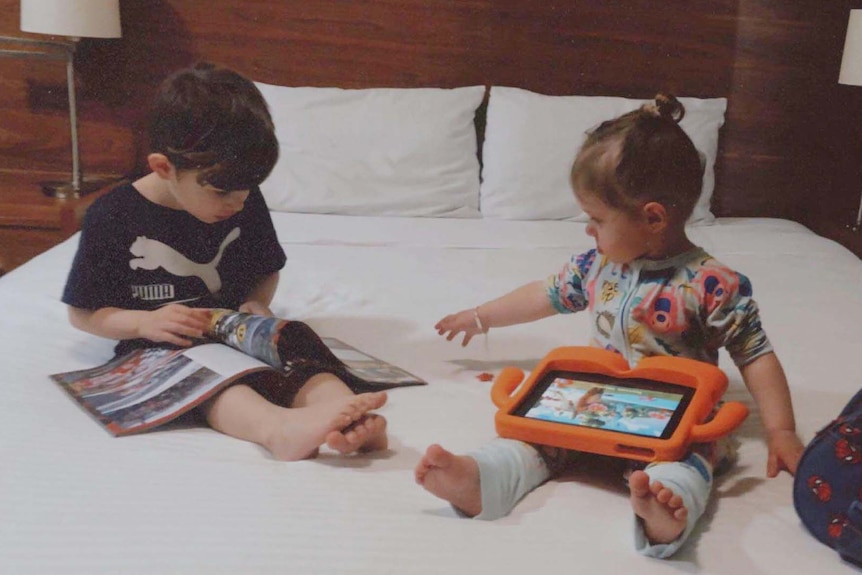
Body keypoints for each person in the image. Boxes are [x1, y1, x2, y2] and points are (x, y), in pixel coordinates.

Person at [415, 93, 804, 558]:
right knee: (532, 437)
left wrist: (781, 431)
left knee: (691, 462)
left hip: (672, 418)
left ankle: (663, 511)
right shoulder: (596, 266)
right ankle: (483, 479)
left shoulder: (710, 284)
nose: (589, 231)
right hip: (592, 405)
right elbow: (543, 295)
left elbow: (755, 354)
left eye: (597, 219)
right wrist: (482, 317)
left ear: (652, 217)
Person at [62, 62, 388, 461]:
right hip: (164, 340)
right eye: (221, 191)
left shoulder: (240, 196)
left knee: (293, 338)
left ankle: (339, 411)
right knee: (203, 374)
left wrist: (256, 301)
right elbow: (84, 313)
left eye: (249, 190)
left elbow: (266, 268)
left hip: (233, 325)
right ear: (164, 168)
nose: (238, 203)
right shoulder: (113, 216)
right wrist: (144, 322)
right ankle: (277, 428)